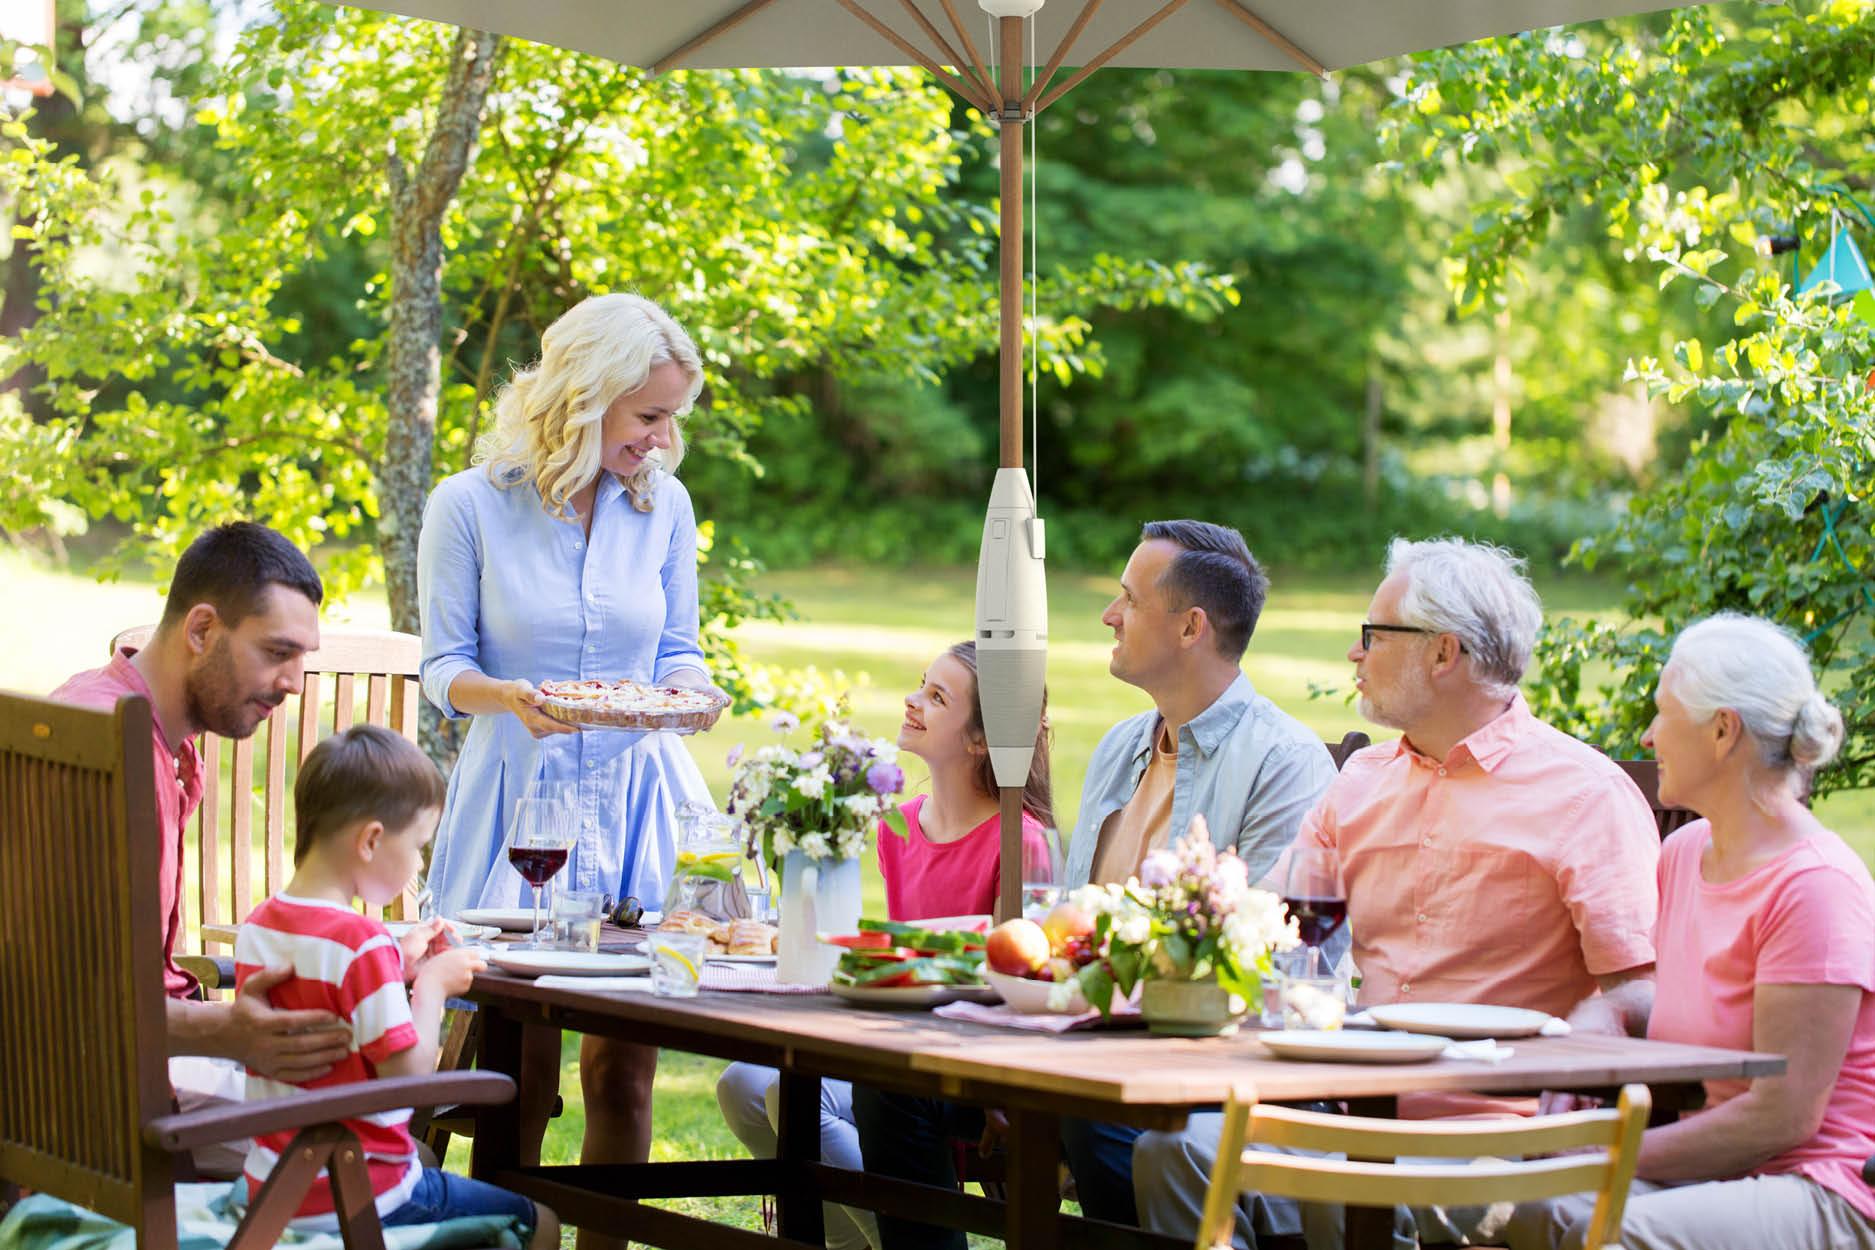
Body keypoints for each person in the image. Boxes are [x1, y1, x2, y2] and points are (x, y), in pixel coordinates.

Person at [1133, 536, 1662, 1249]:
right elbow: (1269, 930)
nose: (1354, 655)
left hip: (1496, 1142)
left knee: (1349, 1199)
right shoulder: (1359, 783)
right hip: (1344, 1112)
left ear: (1443, 654)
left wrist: (1592, 1034)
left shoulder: (1584, 796)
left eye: (1372, 637)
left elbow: (1640, 991)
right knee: (1175, 1151)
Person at [857, 521, 1335, 1249]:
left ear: (1189, 627)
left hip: (1187, 1060)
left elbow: (1268, 959)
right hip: (1073, 1034)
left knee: (1084, 1109)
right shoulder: (1121, 747)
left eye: (1127, 600)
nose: (1109, 615)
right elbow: (1067, 919)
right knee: (890, 1078)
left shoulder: (1285, 762)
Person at [417, 292, 724, 1205]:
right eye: (649, 416)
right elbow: (444, 667)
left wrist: (694, 692)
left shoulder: (662, 505)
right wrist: (509, 698)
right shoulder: (467, 505)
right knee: (514, 1072)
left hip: (641, 796)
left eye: (672, 418)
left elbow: (676, 651)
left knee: (623, 1073)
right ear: (584, 399)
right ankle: (492, 1224)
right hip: (520, 803)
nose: (663, 440)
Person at [1507, 615, 1875, 1250]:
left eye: (1662, 714)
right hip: (1721, 1173)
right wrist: (1609, 1013)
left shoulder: (1815, 884)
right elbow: (1701, 1000)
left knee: (1592, 1224)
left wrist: (1606, 1151)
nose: (1648, 736)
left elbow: (1782, 1117)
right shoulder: (1687, 851)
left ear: (1723, 730)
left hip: (1818, 1184)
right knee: (1528, 1204)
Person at [716, 641, 1054, 1250]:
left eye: (937, 696)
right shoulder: (902, 827)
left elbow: (1021, 984)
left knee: (784, 1095)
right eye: (923, 685)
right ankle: (875, 1240)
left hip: (969, 1074)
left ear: (981, 740)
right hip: (900, 1053)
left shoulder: (1018, 841)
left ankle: (912, 1239)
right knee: (743, 1083)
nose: (913, 699)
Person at [51, 521, 352, 1176]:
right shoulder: (113, 752)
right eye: (278, 652)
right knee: (392, 1165)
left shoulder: (100, 714)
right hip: (112, 1099)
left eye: (304, 657)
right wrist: (229, 1033)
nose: (296, 682)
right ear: (201, 631)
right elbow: (77, 993)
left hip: (109, 1075)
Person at [233, 724, 560, 1247]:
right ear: (371, 841)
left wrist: (395, 962)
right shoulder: (361, 942)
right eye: (418, 847)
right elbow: (406, 1083)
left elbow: (333, 1001)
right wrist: (432, 986)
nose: (418, 866)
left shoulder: (262, 924)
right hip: (357, 1190)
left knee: (430, 1163)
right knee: (539, 1222)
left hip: (274, 1181)